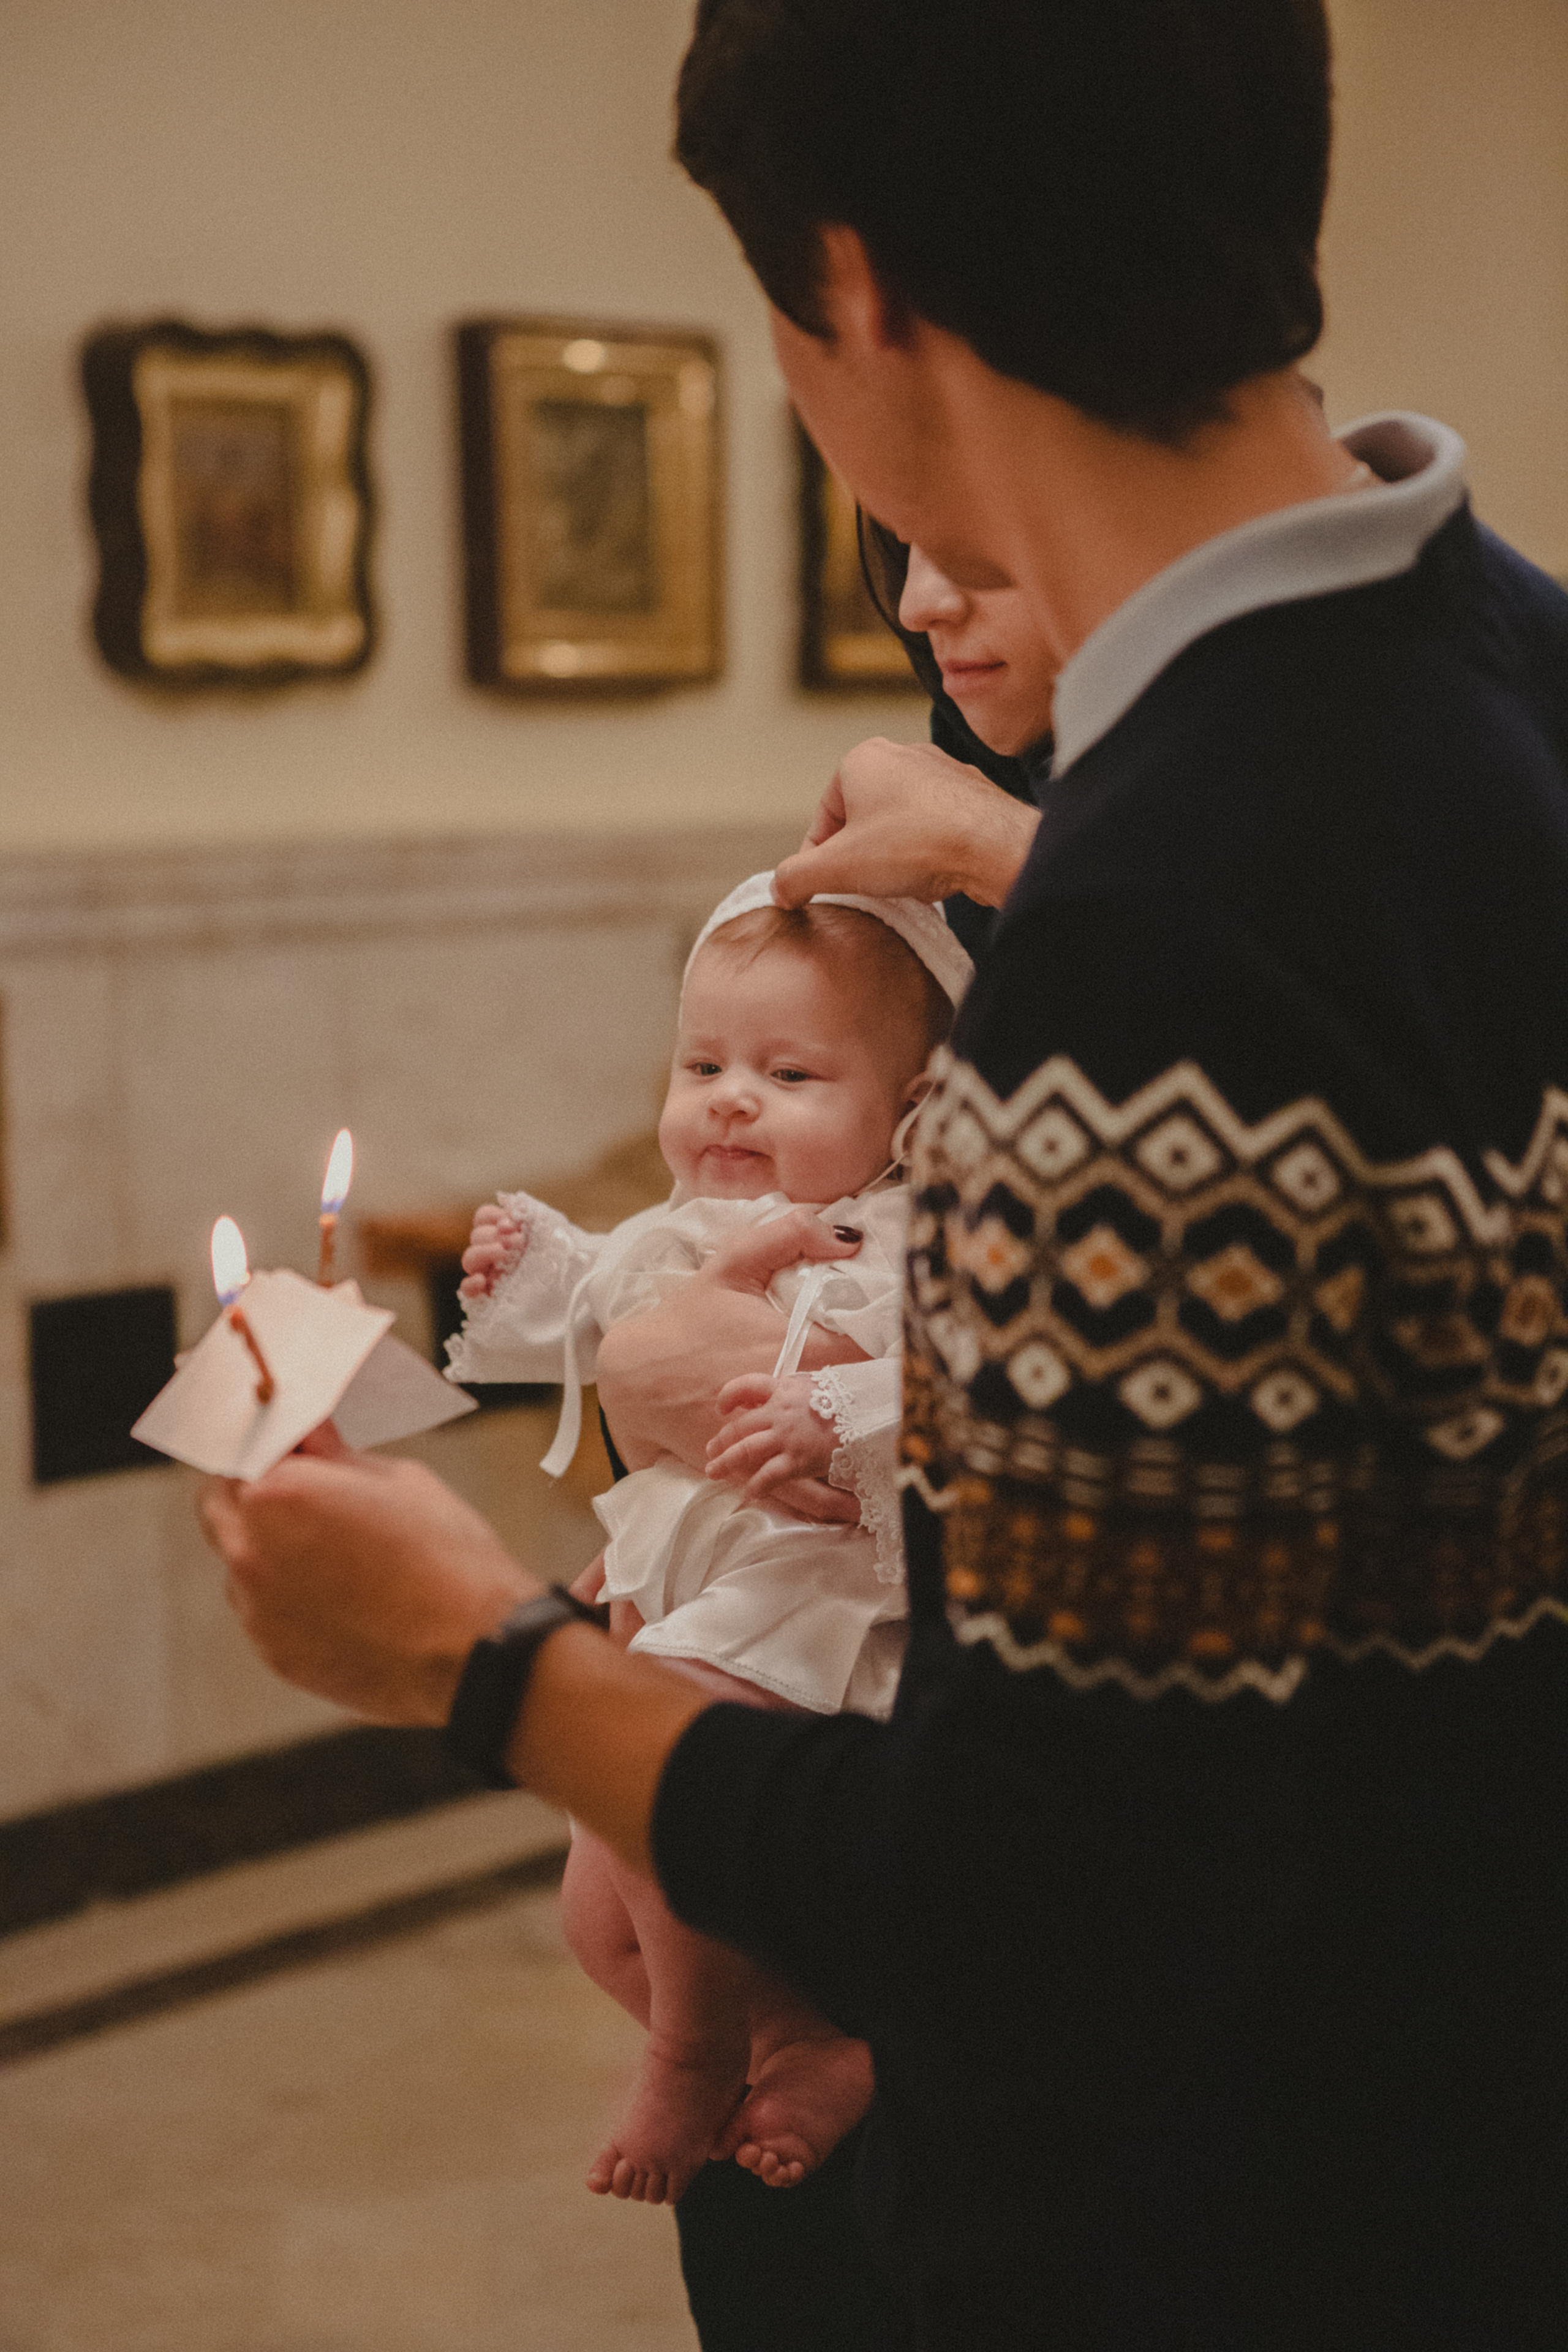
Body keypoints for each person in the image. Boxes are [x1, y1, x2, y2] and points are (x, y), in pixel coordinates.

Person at [202, 4, 1568, 2344]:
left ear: (851, 286)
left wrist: (473, 1655)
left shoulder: (1167, 911)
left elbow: (1058, 1897)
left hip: (1217, 2229)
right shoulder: (1509, 666)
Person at [446, 876, 969, 2207]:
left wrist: (829, 1404)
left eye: (789, 1073)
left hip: (812, 1591)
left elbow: (954, 1372)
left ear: (910, 1111)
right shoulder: (679, 1232)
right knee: (591, 1914)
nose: (732, 1099)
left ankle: (693, 2051)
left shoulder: (904, 1239)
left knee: (659, 1740)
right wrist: (526, 1264)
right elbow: (594, 1298)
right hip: (688, 1591)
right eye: (704, 1065)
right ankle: (798, 2036)